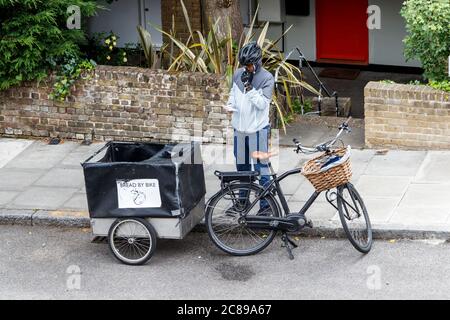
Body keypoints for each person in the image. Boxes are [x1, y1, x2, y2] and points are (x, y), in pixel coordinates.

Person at [224, 41, 275, 213]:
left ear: (258, 62)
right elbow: (233, 94)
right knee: (242, 168)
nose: (247, 68)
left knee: (262, 169)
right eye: (245, 65)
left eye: (250, 65)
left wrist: (250, 88)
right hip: (240, 130)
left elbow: (262, 104)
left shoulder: (267, 78)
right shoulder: (238, 74)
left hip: (258, 130)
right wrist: (230, 105)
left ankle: (266, 207)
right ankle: (242, 202)